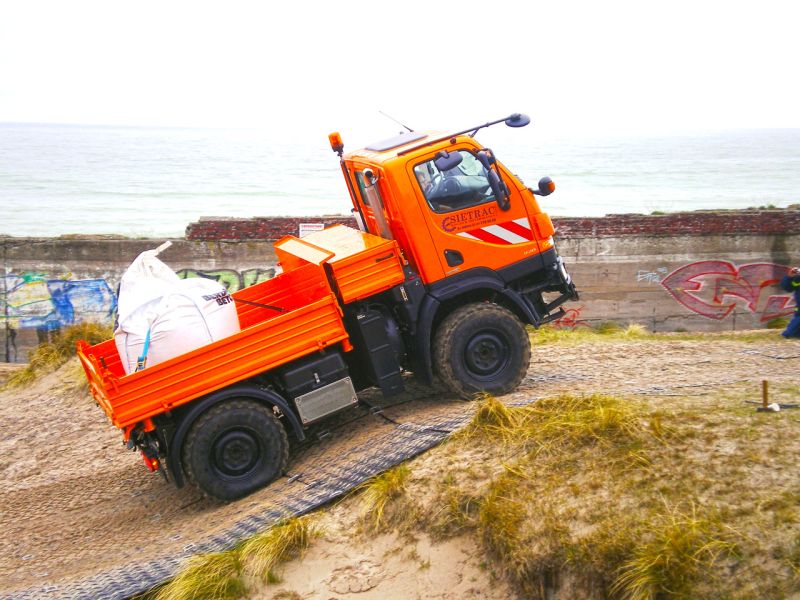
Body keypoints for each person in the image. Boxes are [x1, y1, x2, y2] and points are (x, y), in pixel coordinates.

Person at [779, 266, 800, 338]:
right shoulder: (798, 279)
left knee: (789, 334)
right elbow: (788, 287)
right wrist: (789, 276)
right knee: (790, 334)